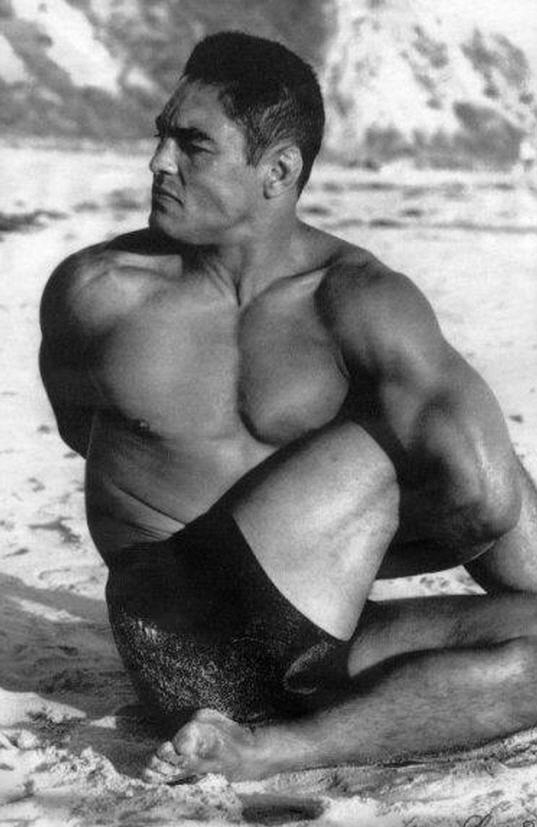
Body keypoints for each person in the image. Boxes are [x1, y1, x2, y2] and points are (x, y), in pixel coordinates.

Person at [39, 31, 537, 783]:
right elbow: (484, 500)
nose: (159, 162)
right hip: (178, 629)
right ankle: (272, 729)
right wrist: (346, 536)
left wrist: (335, 548)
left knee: (456, 445)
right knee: (422, 433)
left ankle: (274, 749)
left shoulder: (352, 296)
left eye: (192, 144)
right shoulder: (98, 292)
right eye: (162, 136)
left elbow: (488, 501)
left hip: (309, 633)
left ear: (277, 170)